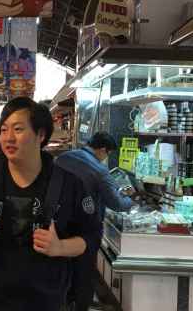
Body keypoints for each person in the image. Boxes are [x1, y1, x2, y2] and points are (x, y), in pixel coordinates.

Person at [0, 97, 102, 311]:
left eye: (18, 129)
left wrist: (60, 247)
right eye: (3, 130)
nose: (8, 138)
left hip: (46, 301)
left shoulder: (69, 185)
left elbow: (93, 235)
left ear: (40, 135)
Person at [55, 132, 135, 311]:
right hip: (85, 229)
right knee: (83, 273)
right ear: (103, 150)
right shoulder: (99, 170)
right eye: (108, 154)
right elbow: (117, 203)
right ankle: (80, 304)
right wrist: (132, 200)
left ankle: (64, 301)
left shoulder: (63, 158)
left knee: (61, 268)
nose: (106, 158)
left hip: (59, 224)